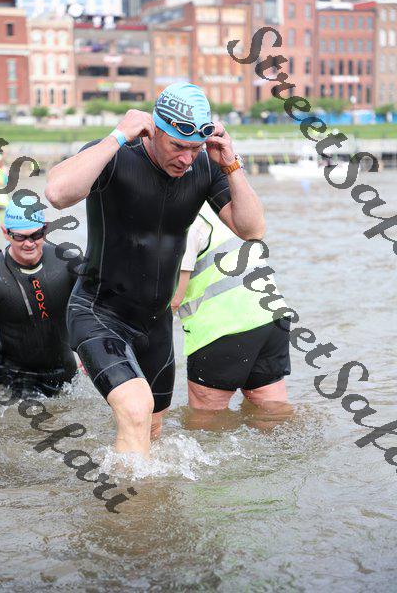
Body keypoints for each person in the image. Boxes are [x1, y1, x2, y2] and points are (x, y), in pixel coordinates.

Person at [45, 82, 265, 459]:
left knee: (152, 429)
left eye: (195, 148)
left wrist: (230, 163)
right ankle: (128, 499)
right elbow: (57, 193)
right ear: (153, 130)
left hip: (156, 326)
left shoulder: (203, 166)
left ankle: (144, 494)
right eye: (178, 146)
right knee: (136, 409)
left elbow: (252, 229)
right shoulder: (117, 156)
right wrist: (117, 136)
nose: (187, 159)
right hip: (100, 313)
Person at [171, 202, 293, 431]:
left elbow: (174, 297)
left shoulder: (185, 217)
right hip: (272, 318)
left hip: (223, 328)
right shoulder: (227, 205)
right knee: (272, 410)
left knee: (205, 419)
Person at [0, 196, 78, 400]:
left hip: (65, 376)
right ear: (6, 232)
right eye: (20, 237)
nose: (29, 243)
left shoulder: (67, 262)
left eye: (36, 234)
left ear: (45, 228)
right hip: (12, 381)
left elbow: (98, 307)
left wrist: (93, 352)